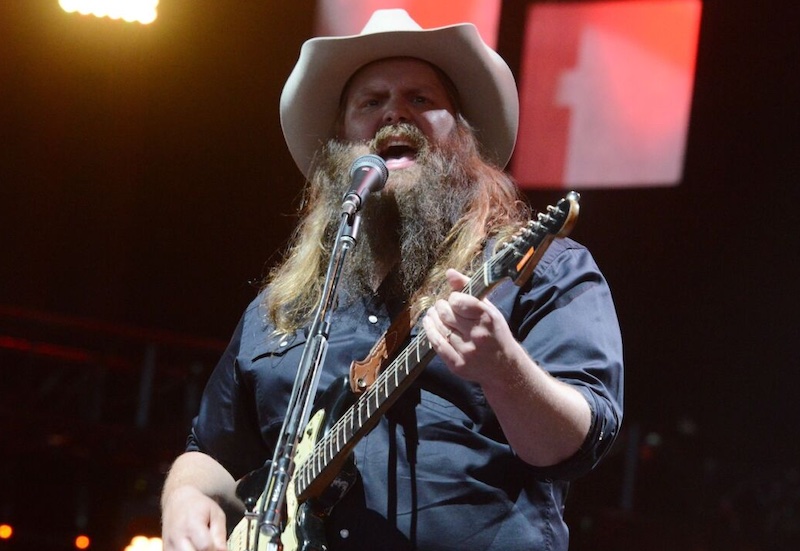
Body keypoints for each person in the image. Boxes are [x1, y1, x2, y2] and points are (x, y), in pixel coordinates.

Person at [161, 9, 623, 551]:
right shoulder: (282, 308)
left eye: (421, 99)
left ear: (464, 135)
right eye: (371, 102)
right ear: (340, 146)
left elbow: (577, 441)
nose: (394, 114)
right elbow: (213, 451)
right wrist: (185, 496)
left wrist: (504, 371)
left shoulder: (543, 268)